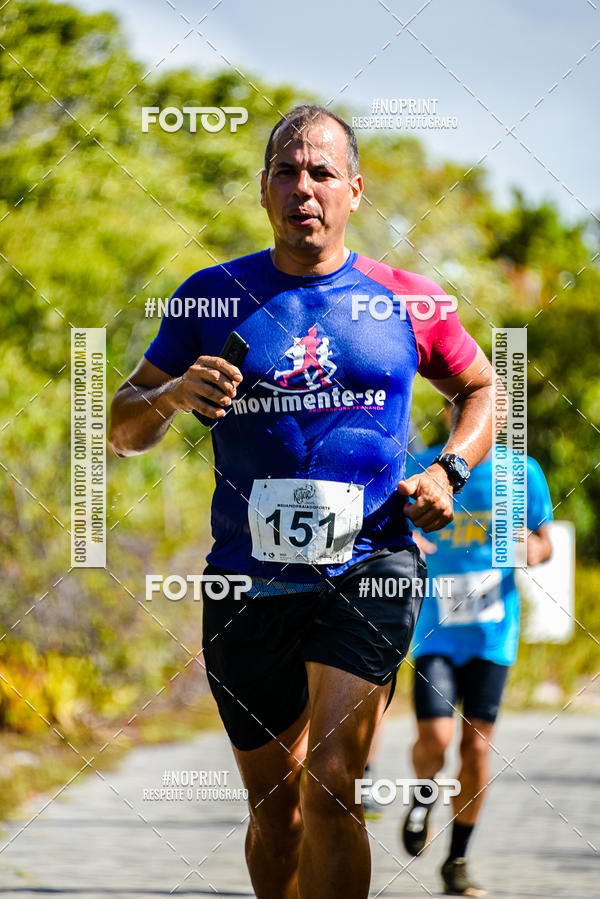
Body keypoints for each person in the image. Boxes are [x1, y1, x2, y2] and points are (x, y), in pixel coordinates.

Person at [109, 104, 498, 899]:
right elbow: (121, 425)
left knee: (329, 781)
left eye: (322, 173)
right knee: (275, 805)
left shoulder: (408, 299)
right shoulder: (212, 295)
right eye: (286, 171)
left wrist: (448, 472)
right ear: (262, 190)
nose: (304, 188)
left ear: (354, 190)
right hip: (246, 580)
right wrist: (174, 394)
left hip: (372, 564)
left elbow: (483, 385)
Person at [401, 403, 553, 897]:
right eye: (462, 406)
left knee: (476, 748)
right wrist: (407, 544)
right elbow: (391, 529)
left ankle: (458, 859)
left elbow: (545, 540)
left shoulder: (522, 473)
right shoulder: (421, 469)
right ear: (450, 413)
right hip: (435, 630)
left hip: (492, 634)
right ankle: (424, 799)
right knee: (436, 742)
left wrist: (533, 549)